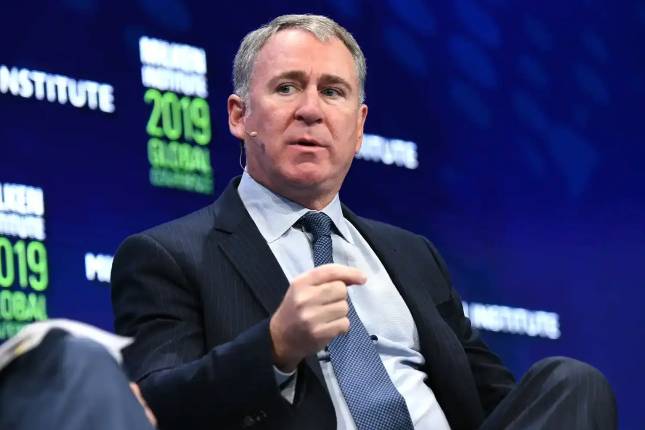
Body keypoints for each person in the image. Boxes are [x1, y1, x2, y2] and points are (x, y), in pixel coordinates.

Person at [111, 14, 617, 430]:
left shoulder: (414, 256)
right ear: (239, 116)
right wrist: (275, 347)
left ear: (359, 128)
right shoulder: (168, 256)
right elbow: (152, 408)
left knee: (570, 384)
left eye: (333, 92)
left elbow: (498, 401)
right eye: (287, 87)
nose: (311, 110)